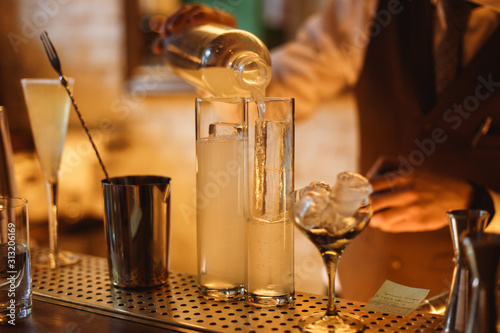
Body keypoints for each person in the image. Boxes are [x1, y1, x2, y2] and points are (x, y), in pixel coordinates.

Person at [154, 1, 500, 302]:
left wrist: (481, 201)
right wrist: (224, 59)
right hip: (371, 291)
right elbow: (270, 98)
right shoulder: (368, 7)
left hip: (486, 301)